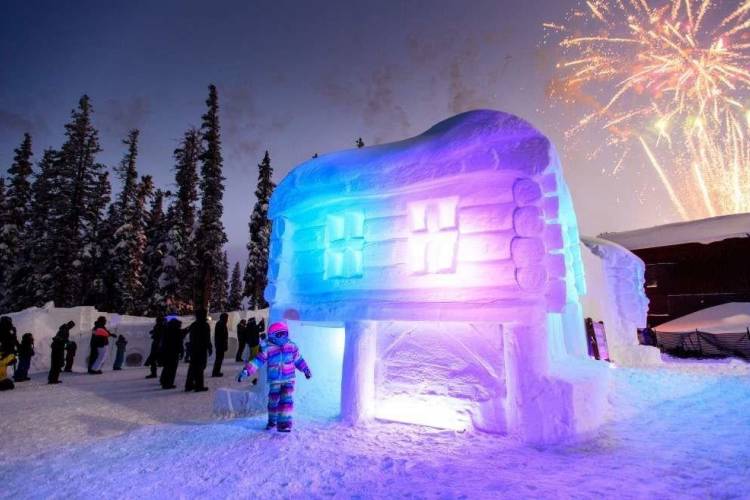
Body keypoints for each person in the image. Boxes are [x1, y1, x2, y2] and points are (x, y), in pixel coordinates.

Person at [237, 321, 312, 432]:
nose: (283, 337)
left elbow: (298, 360)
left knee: (287, 401)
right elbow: (257, 361)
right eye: (279, 334)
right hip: (275, 380)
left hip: (289, 379)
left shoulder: (291, 346)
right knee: (274, 401)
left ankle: (284, 424)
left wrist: (305, 369)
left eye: (284, 334)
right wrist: (246, 371)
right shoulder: (268, 348)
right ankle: (272, 421)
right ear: (272, 335)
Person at [184, 309, 212, 392]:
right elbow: (207, 338)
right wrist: (209, 347)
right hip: (201, 349)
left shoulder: (194, 324)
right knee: (200, 367)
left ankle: (189, 385)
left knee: (192, 367)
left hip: (193, 349)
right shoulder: (205, 325)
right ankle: (199, 386)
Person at [159, 317, 184, 389]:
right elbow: (179, 342)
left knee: (167, 367)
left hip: (166, 351)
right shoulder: (177, 331)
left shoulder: (167, 330)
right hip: (174, 352)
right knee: (172, 369)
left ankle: (163, 381)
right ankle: (168, 383)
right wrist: (181, 351)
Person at [212, 313, 229, 377]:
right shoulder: (220, 324)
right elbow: (221, 336)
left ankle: (217, 371)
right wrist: (224, 344)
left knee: (219, 359)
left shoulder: (221, 324)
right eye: (226, 318)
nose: (227, 319)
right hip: (220, 345)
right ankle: (215, 372)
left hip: (220, 344)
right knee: (219, 359)